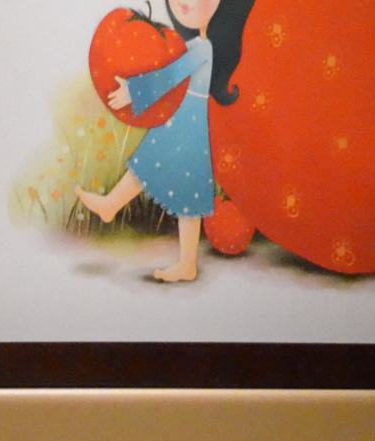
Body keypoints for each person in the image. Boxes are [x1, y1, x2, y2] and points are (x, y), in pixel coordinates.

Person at [75, 0, 254, 286]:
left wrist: (134, 91)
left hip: (188, 126)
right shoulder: (190, 44)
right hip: (180, 119)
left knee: (188, 195)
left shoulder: (202, 49)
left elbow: (172, 76)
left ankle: (187, 263)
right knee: (147, 163)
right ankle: (111, 204)